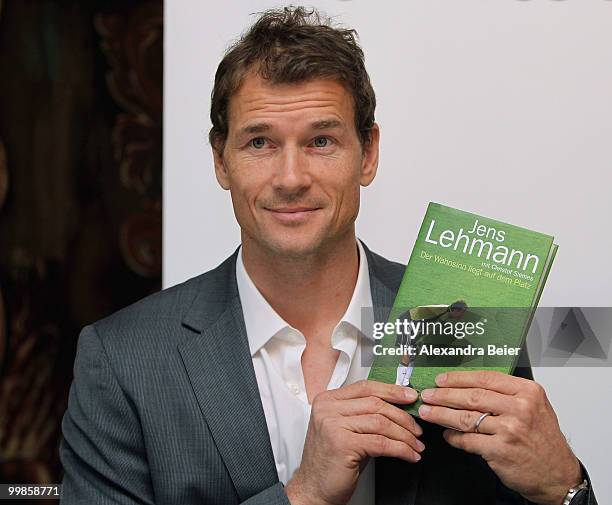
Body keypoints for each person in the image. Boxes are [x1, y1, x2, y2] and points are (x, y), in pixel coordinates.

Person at [59, 6, 597, 505]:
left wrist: (566, 487)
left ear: (369, 153)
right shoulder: (123, 360)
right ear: (221, 162)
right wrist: (305, 493)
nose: (291, 179)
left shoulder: (473, 320)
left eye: (321, 142)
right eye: (259, 143)